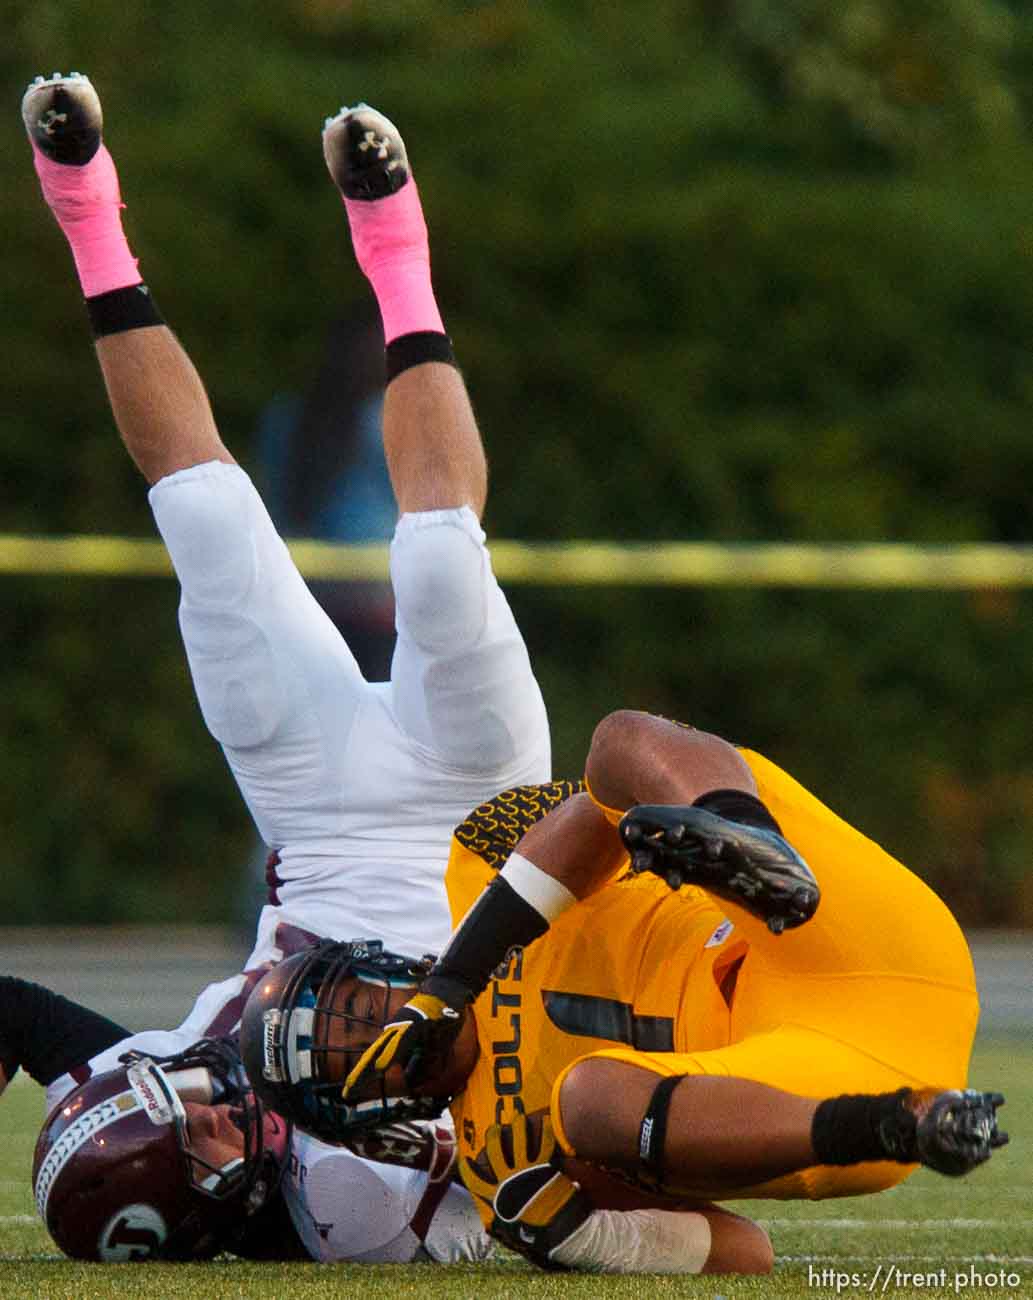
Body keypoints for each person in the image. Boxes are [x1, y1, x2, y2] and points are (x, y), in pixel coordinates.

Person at [19, 71, 549, 1258]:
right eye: (202, 1127)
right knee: (442, 570)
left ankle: (87, 210)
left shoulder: (163, 1085)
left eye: (184, 1099)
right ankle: (400, 256)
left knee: (207, 529)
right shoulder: (351, 1212)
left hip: (311, 824)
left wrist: (61, 1075)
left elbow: (23, 1013)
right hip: (484, 830)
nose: (207, 1096)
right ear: (216, 1194)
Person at [241, 710, 1008, 1275]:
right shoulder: (494, 1167)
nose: (378, 1034)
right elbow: (746, 1252)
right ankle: (909, 1122)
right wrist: (587, 1239)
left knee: (620, 744)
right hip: (835, 1085)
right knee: (591, 1102)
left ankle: (743, 838)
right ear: (373, 1119)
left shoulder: (475, 867)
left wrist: (455, 980)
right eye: (354, 1061)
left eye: (359, 1009)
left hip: (825, 936)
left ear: (379, 966)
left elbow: (597, 805)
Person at [2, 974, 487, 1263]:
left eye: (186, 1095)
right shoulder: (349, 1201)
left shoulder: (117, 1088)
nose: (214, 1111)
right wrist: (436, 1154)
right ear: (194, 1217)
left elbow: (13, 1009)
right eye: (193, 1136)